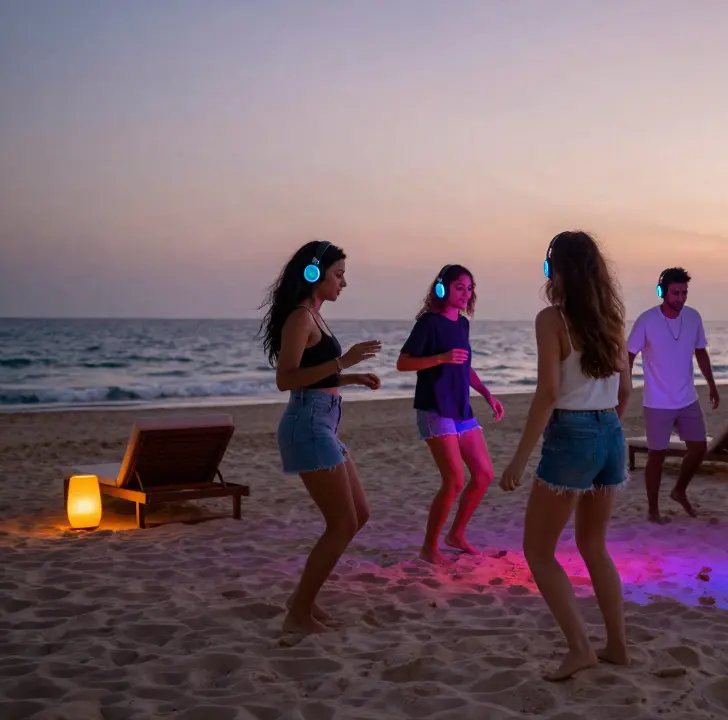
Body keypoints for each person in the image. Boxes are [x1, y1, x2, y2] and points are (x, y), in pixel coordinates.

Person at [500, 230, 633, 682]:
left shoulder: (551, 320)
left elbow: (548, 394)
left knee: (537, 550)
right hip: (611, 433)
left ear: (557, 272)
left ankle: (580, 648)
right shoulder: (613, 320)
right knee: (594, 545)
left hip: (573, 434)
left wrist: (519, 459)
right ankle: (616, 644)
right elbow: (626, 390)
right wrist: (604, 424)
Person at [258, 239, 383, 635]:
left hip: (324, 421)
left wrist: (348, 377)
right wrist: (343, 362)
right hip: (307, 424)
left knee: (358, 516)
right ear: (314, 274)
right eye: (339, 274)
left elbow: (315, 373)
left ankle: (301, 602)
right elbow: (286, 380)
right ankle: (298, 613)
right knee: (342, 523)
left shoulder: (315, 315)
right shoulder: (300, 318)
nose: (344, 283)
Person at [397, 264, 504, 564]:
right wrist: (439, 358)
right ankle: (429, 548)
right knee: (454, 480)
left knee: (483, 474)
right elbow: (403, 363)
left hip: (461, 407)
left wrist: (487, 394)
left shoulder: (463, 325)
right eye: (459, 287)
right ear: (442, 288)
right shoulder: (428, 323)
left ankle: (456, 534)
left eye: (469, 288)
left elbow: (464, 366)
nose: (465, 293)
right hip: (435, 408)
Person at [627, 267, 719, 522]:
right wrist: (625, 383)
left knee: (699, 447)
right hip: (657, 401)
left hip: (687, 398)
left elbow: (701, 351)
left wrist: (712, 384)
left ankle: (679, 490)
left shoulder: (693, 317)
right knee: (657, 455)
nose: (680, 297)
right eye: (675, 292)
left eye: (684, 292)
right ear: (662, 292)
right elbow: (629, 355)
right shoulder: (646, 320)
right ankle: (653, 510)